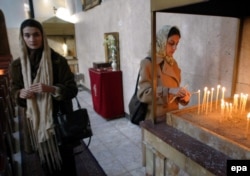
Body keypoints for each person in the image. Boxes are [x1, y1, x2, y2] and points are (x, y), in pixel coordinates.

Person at [10, 19, 78, 175]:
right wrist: (19, 93)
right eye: (27, 35)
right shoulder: (17, 66)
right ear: (22, 38)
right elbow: (14, 89)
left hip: (58, 119)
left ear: (43, 36)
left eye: (36, 34)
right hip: (35, 120)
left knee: (66, 162)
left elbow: (72, 90)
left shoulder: (57, 61)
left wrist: (52, 89)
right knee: (46, 162)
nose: (32, 39)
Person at [137, 25, 191, 121]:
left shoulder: (173, 64)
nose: (175, 48)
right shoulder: (148, 63)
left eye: (177, 44)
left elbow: (174, 92)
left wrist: (182, 97)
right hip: (156, 119)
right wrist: (168, 90)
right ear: (161, 42)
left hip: (174, 116)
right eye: (171, 43)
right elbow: (143, 94)